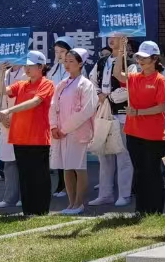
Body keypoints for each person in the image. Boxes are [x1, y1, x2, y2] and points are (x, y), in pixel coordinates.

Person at [0, 50, 56, 216]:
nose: (27, 69)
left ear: (41, 67)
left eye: (30, 66)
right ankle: (28, 210)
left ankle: (41, 211)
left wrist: (9, 110)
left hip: (38, 138)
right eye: (25, 65)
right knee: (24, 176)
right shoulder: (22, 84)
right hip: (19, 137)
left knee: (39, 176)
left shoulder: (47, 84)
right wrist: (1, 73)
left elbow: (35, 102)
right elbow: (3, 91)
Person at [116, 41, 165, 214]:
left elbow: (161, 107)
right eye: (139, 57)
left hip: (153, 134)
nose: (140, 61)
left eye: (145, 58)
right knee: (139, 171)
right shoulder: (134, 77)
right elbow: (117, 74)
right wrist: (120, 52)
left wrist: (138, 112)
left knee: (152, 171)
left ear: (154, 59)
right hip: (133, 132)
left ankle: (156, 209)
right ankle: (141, 208)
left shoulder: (160, 80)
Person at [48, 47, 96, 214]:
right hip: (62, 133)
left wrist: (65, 128)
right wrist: (54, 126)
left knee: (78, 167)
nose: (67, 64)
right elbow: (53, 106)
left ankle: (79, 203)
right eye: (65, 61)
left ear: (80, 64)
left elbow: (86, 110)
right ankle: (71, 203)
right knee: (67, 167)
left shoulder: (86, 84)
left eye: (71, 61)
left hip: (77, 132)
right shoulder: (62, 84)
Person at [91, 39, 133, 209]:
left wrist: (110, 97)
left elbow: (131, 86)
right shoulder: (102, 61)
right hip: (103, 113)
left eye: (117, 36)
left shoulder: (130, 62)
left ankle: (124, 194)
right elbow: (92, 81)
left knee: (123, 155)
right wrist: (99, 94)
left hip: (121, 113)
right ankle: (105, 194)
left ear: (124, 40)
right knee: (104, 155)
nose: (112, 39)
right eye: (110, 36)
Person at [0, 60, 24, 210]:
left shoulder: (27, 75)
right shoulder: (2, 77)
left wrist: (15, 119)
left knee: (24, 164)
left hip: (22, 125)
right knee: (9, 164)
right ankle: (10, 198)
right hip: (6, 126)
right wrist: (1, 118)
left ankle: (24, 196)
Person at [47, 39, 72, 199]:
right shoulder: (54, 68)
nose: (59, 55)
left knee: (69, 153)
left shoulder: (75, 68)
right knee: (57, 152)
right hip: (55, 115)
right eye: (57, 52)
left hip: (69, 116)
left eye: (62, 51)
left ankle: (70, 185)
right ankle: (61, 183)